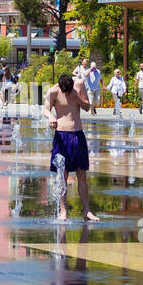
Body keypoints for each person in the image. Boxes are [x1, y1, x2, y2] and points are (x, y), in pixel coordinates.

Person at [44, 73, 99, 222]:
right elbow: (46, 109)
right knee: (63, 175)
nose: (67, 93)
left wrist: (77, 97)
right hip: (62, 136)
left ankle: (87, 211)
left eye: (69, 90)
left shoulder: (79, 85)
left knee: (82, 174)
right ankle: (63, 211)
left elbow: (88, 107)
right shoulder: (53, 91)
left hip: (77, 134)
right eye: (65, 91)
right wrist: (50, 117)